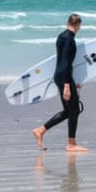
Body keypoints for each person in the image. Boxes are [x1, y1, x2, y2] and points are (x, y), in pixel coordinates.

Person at [32, 14, 89, 152]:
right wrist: (67, 85)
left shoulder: (62, 36)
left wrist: (72, 81)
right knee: (74, 110)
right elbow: (65, 63)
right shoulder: (69, 39)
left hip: (62, 76)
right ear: (78, 25)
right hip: (64, 78)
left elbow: (64, 63)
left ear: (67, 23)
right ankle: (71, 144)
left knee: (68, 111)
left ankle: (40, 131)